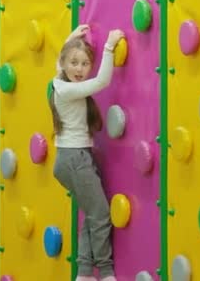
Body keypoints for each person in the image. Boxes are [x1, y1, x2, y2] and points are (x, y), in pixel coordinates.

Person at [48, 24, 124, 281]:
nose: (79, 69)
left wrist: (70, 39)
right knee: (101, 213)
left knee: (92, 214)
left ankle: (83, 273)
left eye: (84, 64)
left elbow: (61, 64)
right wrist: (110, 46)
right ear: (64, 64)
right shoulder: (66, 90)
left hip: (72, 159)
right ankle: (104, 272)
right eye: (74, 63)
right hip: (74, 159)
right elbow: (102, 81)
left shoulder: (57, 82)